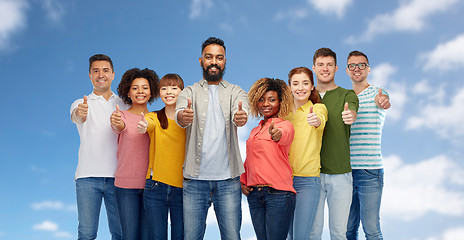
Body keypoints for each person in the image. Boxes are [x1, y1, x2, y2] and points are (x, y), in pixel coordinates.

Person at [176, 37, 249, 240]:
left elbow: (241, 111)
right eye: (209, 57)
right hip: (194, 181)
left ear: (225, 61)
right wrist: (184, 116)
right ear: (201, 61)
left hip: (228, 181)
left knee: (232, 236)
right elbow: (180, 115)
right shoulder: (188, 92)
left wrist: (240, 116)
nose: (214, 62)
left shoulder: (236, 91)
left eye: (219, 57)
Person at [70, 54, 124, 240]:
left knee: (121, 233)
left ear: (113, 74)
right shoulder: (80, 103)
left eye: (105, 70)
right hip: (87, 178)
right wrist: (81, 113)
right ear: (90, 76)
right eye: (96, 71)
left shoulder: (124, 104)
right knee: (86, 233)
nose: (101, 74)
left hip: (119, 178)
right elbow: (78, 117)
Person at [309, 48, 359, 240]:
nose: (325, 68)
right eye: (321, 64)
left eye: (329, 64)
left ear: (336, 68)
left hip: (341, 175)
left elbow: (352, 109)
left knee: (339, 233)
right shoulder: (305, 95)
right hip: (312, 175)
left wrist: (351, 115)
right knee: (313, 233)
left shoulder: (347, 95)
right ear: (314, 68)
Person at [240, 77, 296, 240]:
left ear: (280, 102)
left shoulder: (285, 126)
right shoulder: (255, 130)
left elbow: (284, 136)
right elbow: (250, 160)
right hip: (255, 195)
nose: (266, 104)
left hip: (278, 194)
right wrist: (243, 181)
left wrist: (276, 134)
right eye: (262, 100)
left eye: (272, 100)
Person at [345, 51, 390, 240]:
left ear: (368, 69)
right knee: (347, 230)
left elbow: (383, 102)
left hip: (369, 170)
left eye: (361, 65)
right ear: (347, 70)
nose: (357, 69)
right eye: (352, 65)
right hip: (344, 171)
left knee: (371, 229)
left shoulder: (377, 93)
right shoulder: (344, 97)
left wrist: (383, 102)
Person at [110, 68, 159, 240]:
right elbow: (119, 126)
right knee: (129, 236)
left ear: (151, 91)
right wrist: (117, 123)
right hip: (125, 187)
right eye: (135, 87)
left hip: (152, 187)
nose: (140, 91)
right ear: (128, 92)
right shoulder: (120, 115)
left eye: (145, 87)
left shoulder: (157, 118)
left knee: (148, 237)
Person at [137, 73, 186, 240]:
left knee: (180, 236)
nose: (169, 92)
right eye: (164, 88)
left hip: (183, 188)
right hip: (155, 187)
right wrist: (143, 125)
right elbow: (148, 124)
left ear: (182, 92)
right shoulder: (154, 117)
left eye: (174, 88)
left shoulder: (187, 122)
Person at [285, 67, 328, 240]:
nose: (300, 88)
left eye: (305, 83)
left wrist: (316, 120)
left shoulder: (318, 109)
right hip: (283, 182)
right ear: (289, 87)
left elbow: (321, 120)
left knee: (301, 236)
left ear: (312, 87)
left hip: (307, 182)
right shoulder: (283, 113)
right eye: (295, 83)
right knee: (288, 235)